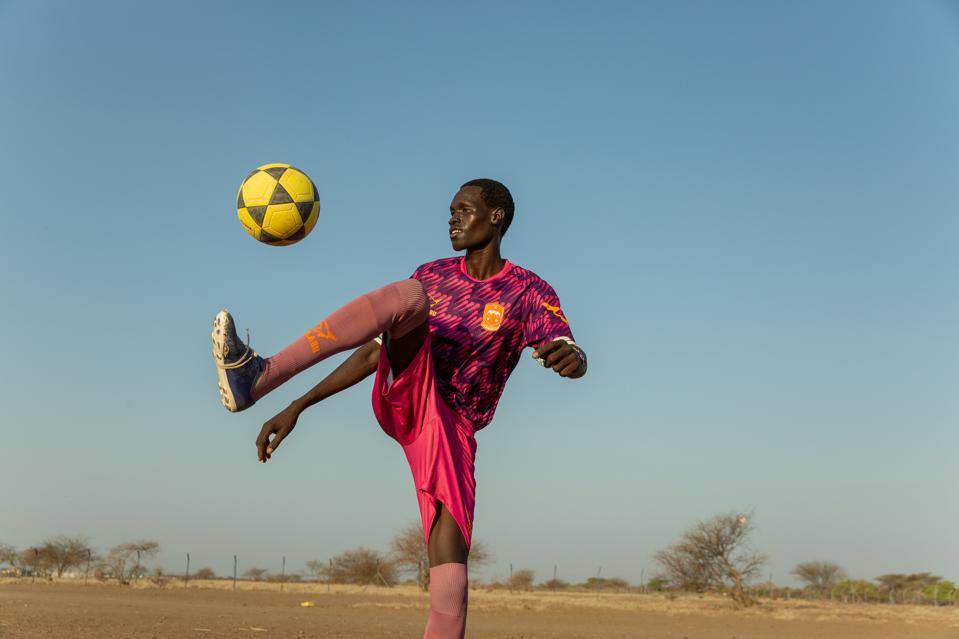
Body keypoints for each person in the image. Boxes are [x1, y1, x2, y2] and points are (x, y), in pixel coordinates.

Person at [211, 178, 587, 639]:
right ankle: (262, 376)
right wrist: (298, 403)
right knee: (409, 297)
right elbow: (374, 351)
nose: (451, 218)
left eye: (463, 209)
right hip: (408, 392)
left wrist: (573, 357)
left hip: (455, 428)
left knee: (452, 574)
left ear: (496, 217)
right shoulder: (433, 274)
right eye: (450, 210)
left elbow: (562, 341)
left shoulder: (528, 290)